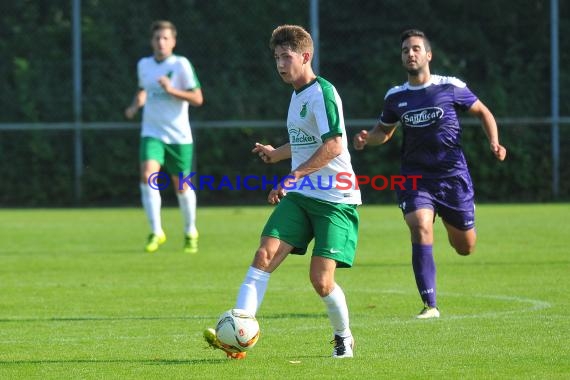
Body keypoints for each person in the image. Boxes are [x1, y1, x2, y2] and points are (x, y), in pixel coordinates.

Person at [204, 25, 361, 359]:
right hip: (303, 196)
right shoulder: (296, 93)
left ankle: (343, 336)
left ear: (305, 56)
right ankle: (238, 335)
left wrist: (293, 177)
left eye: (286, 56)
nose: (280, 64)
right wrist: (278, 154)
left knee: (321, 280)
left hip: (336, 199)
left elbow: (334, 145)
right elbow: (307, 142)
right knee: (263, 256)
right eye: (276, 57)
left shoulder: (323, 93)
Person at [353, 29, 507, 319]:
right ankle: (430, 305)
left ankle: (457, 215)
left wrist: (494, 141)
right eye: (404, 50)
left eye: (415, 48)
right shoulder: (396, 97)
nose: (409, 54)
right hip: (415, 177)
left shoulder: (450, 87)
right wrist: (366, 139)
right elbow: (383, 133)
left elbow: (483, 112)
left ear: (428, 55)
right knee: (419, 225)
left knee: (465, 247)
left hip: (453, 178)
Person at [125, 20, 203, 254]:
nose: (161, 42)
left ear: (173, 41)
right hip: (152, 133)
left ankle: (190, 231)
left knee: (182, 187)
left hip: (179, 136)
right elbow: (143, 89)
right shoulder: (144, 65)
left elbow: (198, 99)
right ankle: (156, 231)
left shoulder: (181, 65)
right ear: (152, 41)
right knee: (148, 175)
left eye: (165, 38)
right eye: (157, 38)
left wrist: (171, 90)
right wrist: (136, 103)